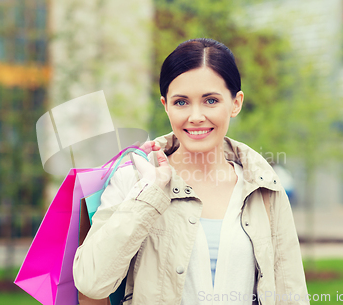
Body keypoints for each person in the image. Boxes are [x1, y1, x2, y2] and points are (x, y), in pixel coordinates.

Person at [73, 38, 309, 305]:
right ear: (165, 105)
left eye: (210, 100)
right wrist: (149, 195)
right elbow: (91, 283)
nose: (196, 116)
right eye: (181, 102)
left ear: (236, 103)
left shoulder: (264, 188)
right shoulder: (135, 180)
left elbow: (291, 293)